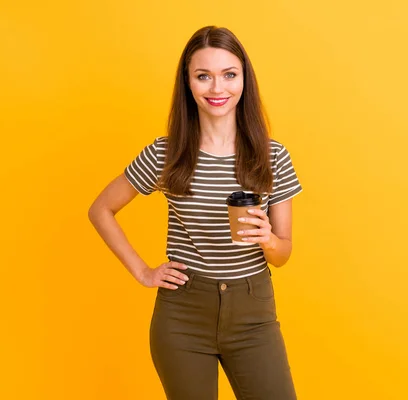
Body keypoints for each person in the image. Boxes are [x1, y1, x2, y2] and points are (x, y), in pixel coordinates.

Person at [88, 26, 302, 400]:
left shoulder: (273, 156)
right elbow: (101, 209)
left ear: (244, 80)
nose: (217, 89)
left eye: (228, 75)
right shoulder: (166, 153)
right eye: (203, 76)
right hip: (183, 314)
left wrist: (267, 238)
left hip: (253, 313)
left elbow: (283, 254)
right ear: (188, 83)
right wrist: (142, 271)